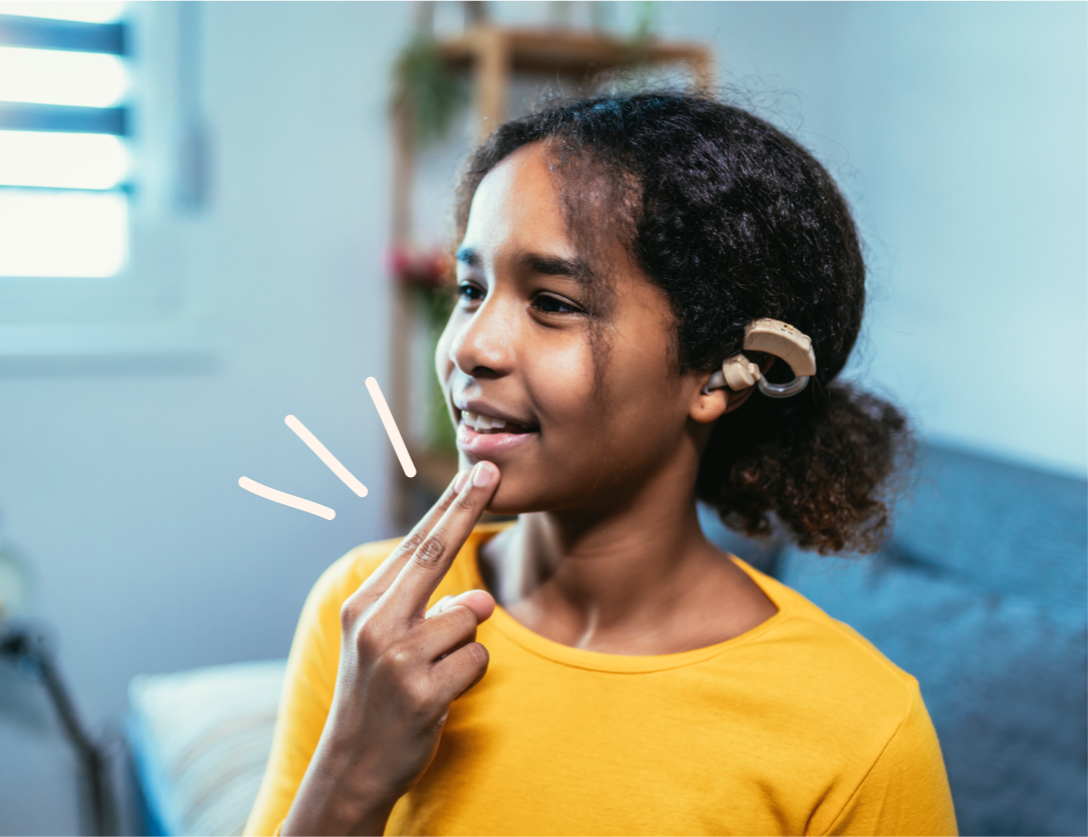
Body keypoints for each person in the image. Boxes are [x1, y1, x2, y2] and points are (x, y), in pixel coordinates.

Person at [244, 90, 958, 836]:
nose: (470, 346)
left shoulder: (860, 730)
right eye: (471, 289)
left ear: (720, 373)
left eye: (553, 302)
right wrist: (351, 776)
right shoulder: (368, 614)